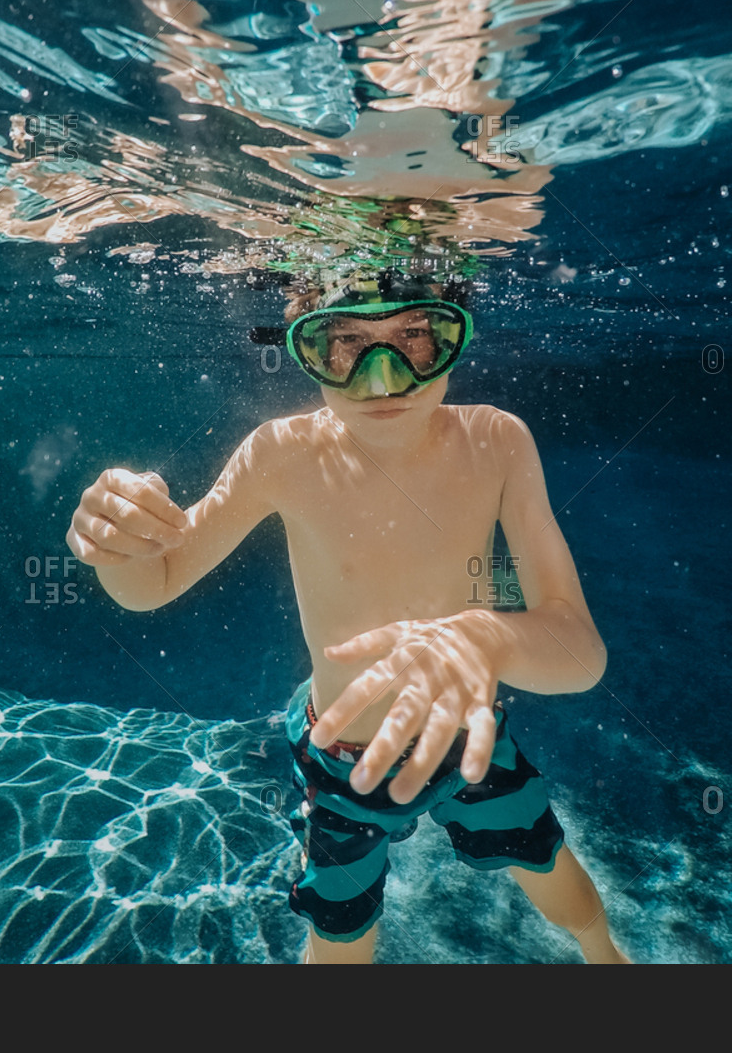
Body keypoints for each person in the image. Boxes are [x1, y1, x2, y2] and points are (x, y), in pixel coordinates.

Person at [66, 272, 629, 964]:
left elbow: (580, 653)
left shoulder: (497, 441)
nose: (383, 378)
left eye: (414, 338)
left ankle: (609, 957)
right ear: (307, 350)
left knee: (556, 876)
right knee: (338, 942)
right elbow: (154, 581)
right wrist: (118, 544)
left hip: (471, 743)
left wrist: (488, 636)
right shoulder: (280, 454)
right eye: (348, 345)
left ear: (455, 337)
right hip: (345, 770)